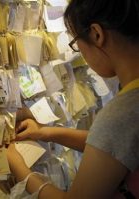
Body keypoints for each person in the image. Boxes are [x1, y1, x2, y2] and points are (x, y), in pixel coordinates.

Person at [7, 0, 139, 198]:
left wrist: (21, 171)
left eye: (76, 43)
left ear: (96, 34)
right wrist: (46, 132)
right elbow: (114, 146)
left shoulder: (123, 113)